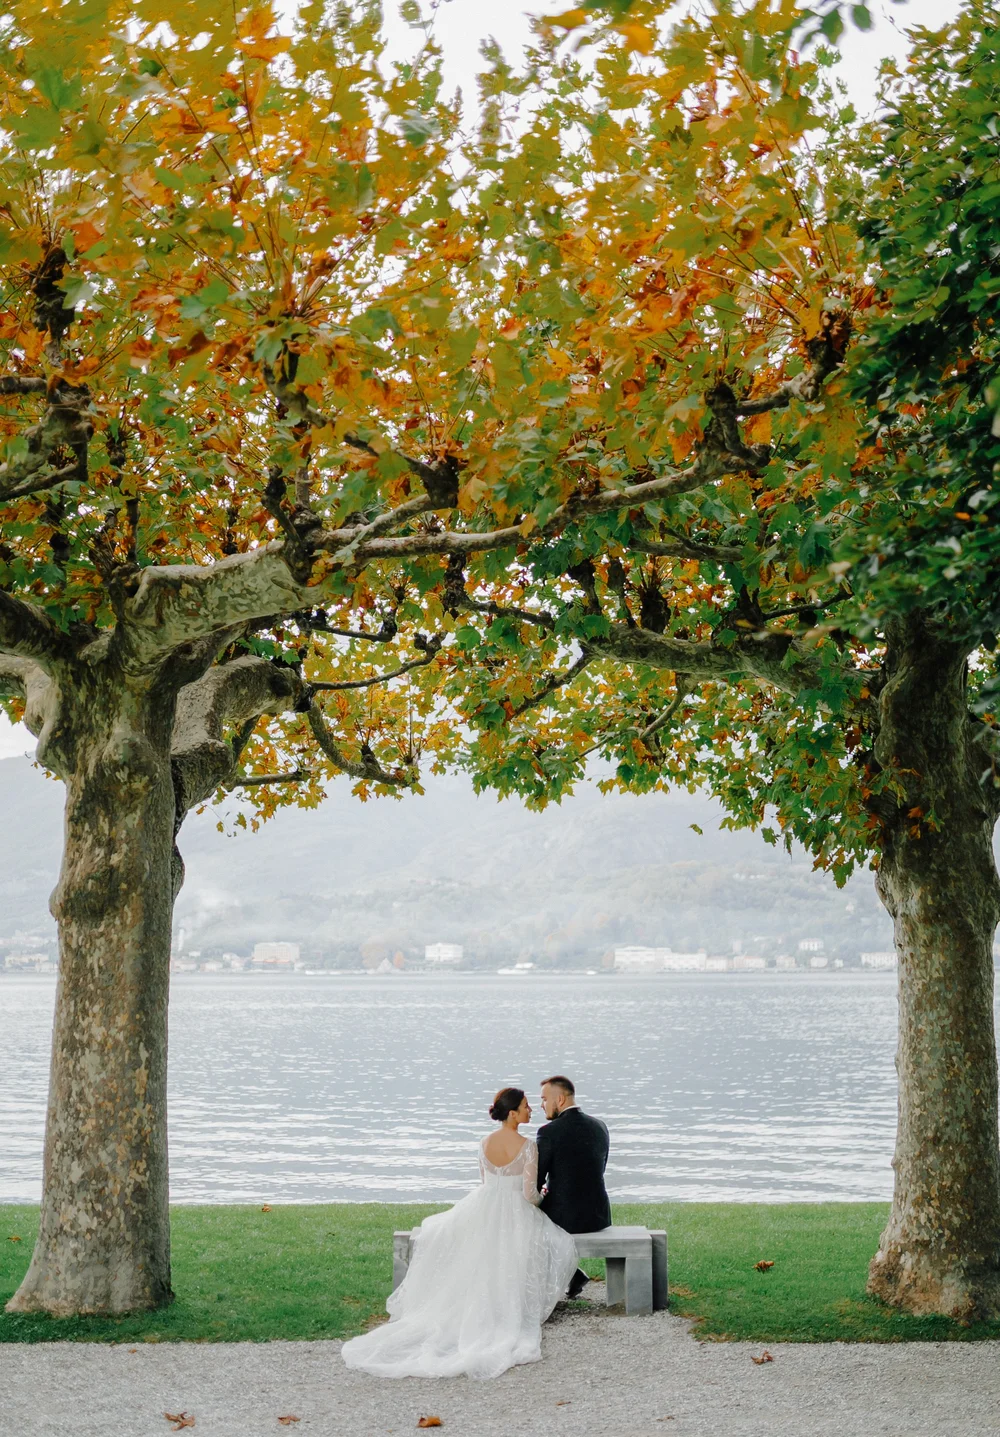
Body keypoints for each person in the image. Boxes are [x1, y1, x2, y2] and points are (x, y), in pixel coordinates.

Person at [340, 1086, 578, 1380]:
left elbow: (484, 1180)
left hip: (483, 1205)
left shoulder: (484, 1143)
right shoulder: (528, 1146)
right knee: (548, 1242)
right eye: (527, 1106)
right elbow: (529, 1194)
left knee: (480, 1254)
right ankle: (505, 1310)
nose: (531, 1110)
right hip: (515, 1209)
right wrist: (543, 1200)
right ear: (513, 1113)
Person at [537, 1075, 611, 1300]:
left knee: (524, 1217)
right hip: (598, 1216)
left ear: (559, 1099)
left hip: (565, 1218)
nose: (541, 1105)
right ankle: (573, 1273)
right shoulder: (600, 1126)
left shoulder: (548, 1131)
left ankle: (567, 1276)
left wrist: (542, 1192)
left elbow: (536, 1180)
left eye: (543, 1099)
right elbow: (599, 1169)